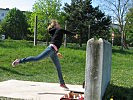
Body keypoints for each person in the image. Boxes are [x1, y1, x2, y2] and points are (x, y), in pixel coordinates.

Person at [12, 19, 76, 89]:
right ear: (55, 26)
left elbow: (55, 41)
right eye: (58, 24)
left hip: (54, 51)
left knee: (58, 67)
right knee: (37, 58)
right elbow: (66, 32)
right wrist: (74, 34)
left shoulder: (56, 32)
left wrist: (57, 52)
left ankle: (62, 83)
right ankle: (19, 61)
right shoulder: (59, 30)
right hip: (50, 49)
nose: (59, 25)